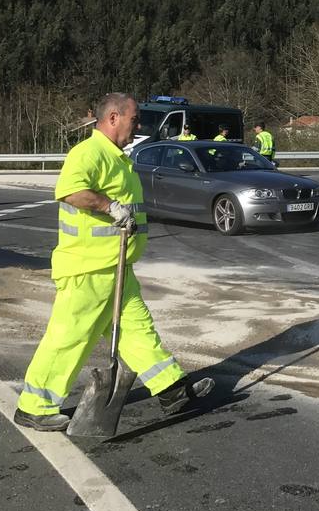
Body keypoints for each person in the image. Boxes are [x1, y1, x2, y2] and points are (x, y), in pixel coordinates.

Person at [14, 92, 212, 431]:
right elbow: (70, 190)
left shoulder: (118, 158)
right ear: (113, 118)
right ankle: (34, 405)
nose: (138, 126)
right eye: (134, 119)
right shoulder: (89, 153)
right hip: (88, 268)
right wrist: (110, 207)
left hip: (117, 267)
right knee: (70, 337)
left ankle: (170, 389)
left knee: (138, 331)